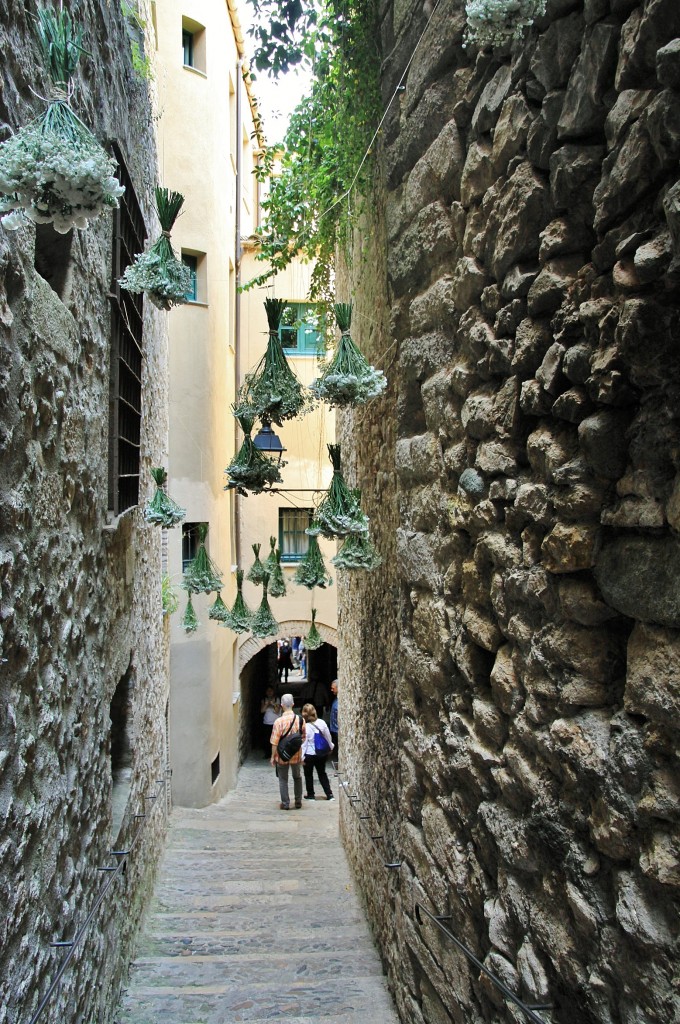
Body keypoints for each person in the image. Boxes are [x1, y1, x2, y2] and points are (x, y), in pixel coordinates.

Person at [270, 693, 306, 810]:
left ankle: (285, 803)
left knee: (283, 779)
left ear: (281, 705)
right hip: (296, 754)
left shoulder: (278, 722)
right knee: (297, 777)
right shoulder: (301, 720)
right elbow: (303, 737)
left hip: (282, 755)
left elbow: (274, 742)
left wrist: (272, 757)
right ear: (293, 704)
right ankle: (298, 801)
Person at [301, 703, 334, 801]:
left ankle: (311, 795)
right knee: (322, 773)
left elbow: (304, 743)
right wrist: (331, 747)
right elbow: (328, 736)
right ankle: (329, 794)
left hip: (309, 754)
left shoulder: (305, 727)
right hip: (321, 753)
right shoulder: (322, 723)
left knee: (308, 774)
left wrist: (301, 757)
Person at [260, 686, 280, 758]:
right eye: (268, 691)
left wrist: (273, 704)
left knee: (276, 738)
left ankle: (276, 753)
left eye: (271, 691)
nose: (269, 692)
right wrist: (267, 704)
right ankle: (268, 753)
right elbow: (262, 710)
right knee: (267, 739)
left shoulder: (277, 699)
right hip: (267, 722)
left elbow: (277, 711)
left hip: (275, 722)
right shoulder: (264, 700)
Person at [329, 679, 339, 759]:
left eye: (333, 688)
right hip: (334, 729)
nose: (331, 690)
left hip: (337, 730)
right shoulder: (336, 699)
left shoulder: (339, 701)